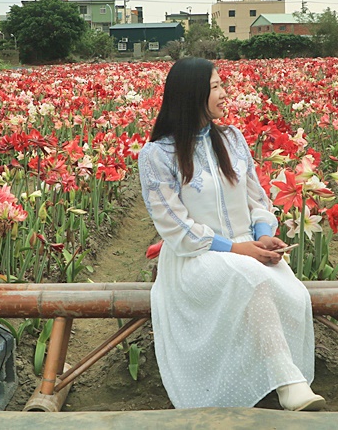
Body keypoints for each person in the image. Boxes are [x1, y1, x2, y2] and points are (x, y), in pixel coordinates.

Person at [138, 57, 324, 411]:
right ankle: (289, 384)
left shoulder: (232, 138)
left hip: (247, 249)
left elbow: (257, 197)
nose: (226, 94)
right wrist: (238, 249)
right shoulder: (157, 155)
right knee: (251, 278)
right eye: (216, 87)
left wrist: (264, 233)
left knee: (294, 294)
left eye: (223, 85)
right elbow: (175, 227)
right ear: (193, 95)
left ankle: (272, 380)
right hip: (194, 259)